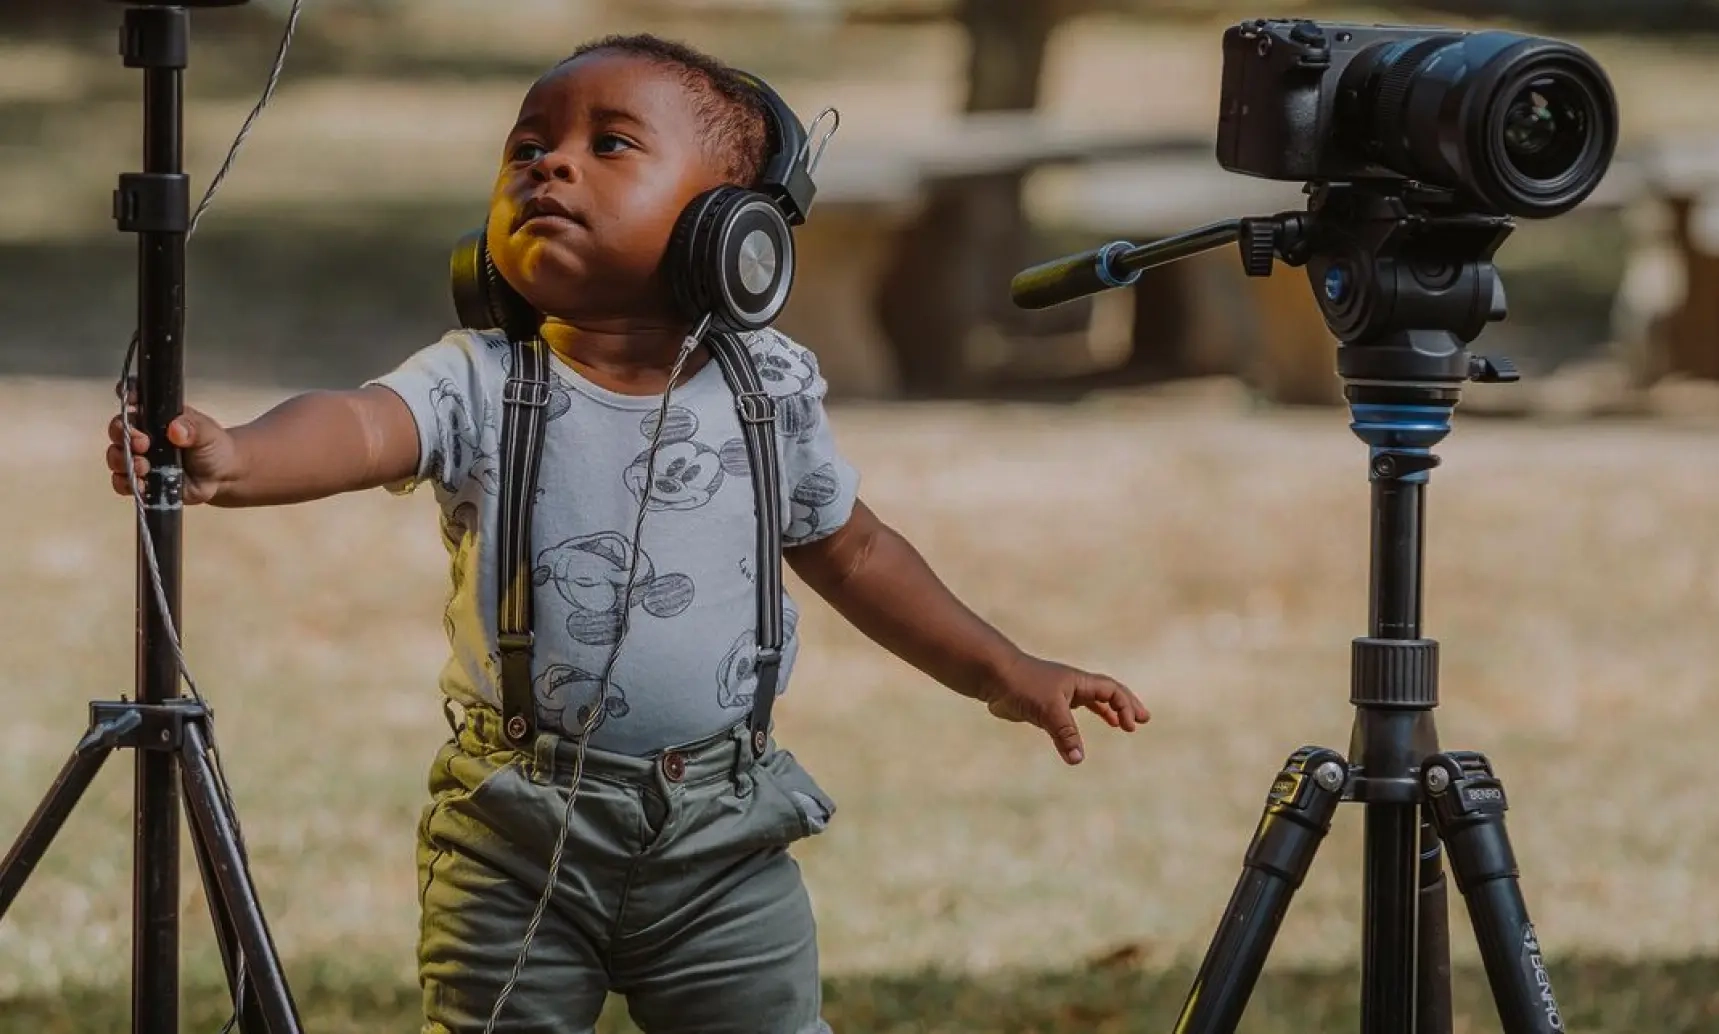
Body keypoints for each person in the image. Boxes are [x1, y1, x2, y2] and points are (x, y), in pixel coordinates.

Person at [104, 33, 1150, 1034]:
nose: (551, 165)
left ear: (734, 238)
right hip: (513, 828)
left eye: (609, 144)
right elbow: (365, 423)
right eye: (527, 146)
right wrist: (235, 456)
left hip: (721, 836)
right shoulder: (481, 380)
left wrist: (1001, 668)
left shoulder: (764, 387)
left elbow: (855, 550)